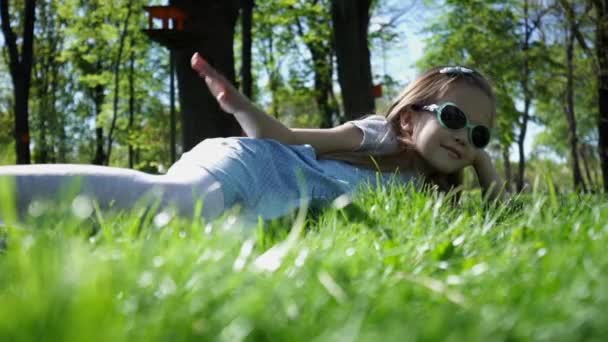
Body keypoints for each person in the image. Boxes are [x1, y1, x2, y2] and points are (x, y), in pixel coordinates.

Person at [0, 53, 505, 224]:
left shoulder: (428, 198)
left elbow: (503, 223)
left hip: (258, 214)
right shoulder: (377, 137)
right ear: (411, 118)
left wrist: (484, 169)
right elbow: (282, 138)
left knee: (163, 231)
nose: (465, 138)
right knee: (176, 201)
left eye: (478, 134)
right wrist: (237, 105)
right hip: (252, 167)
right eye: (456, 118)